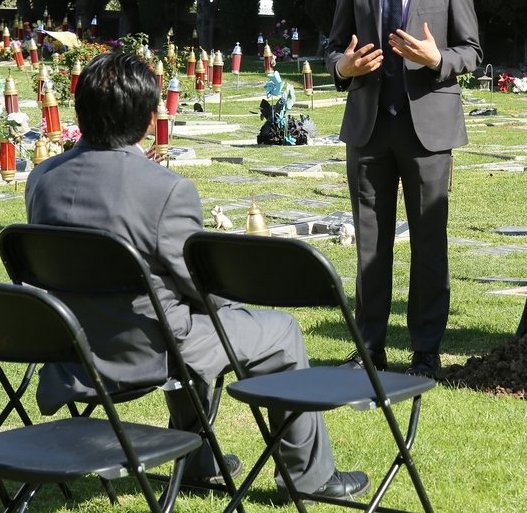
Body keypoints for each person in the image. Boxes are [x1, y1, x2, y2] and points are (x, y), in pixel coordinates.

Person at [25, 52, 369, 499]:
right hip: (146, 350)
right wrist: (231, 306)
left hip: (71, 348)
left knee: (183, 316)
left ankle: (196, 459)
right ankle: (309, 477)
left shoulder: (42, 178)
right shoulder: (164, 189)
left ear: (79, 110)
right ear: (149, 120)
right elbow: (204, 283)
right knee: (278, 331)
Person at [325, 0, 482, 377]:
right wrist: (343, 68)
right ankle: (369, 348)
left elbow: (472, 51)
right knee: (370, 244)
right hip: (368, 129)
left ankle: (426, 350)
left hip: (427, 129)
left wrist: (438, 59)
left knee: (429, 243)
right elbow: (333, 48)